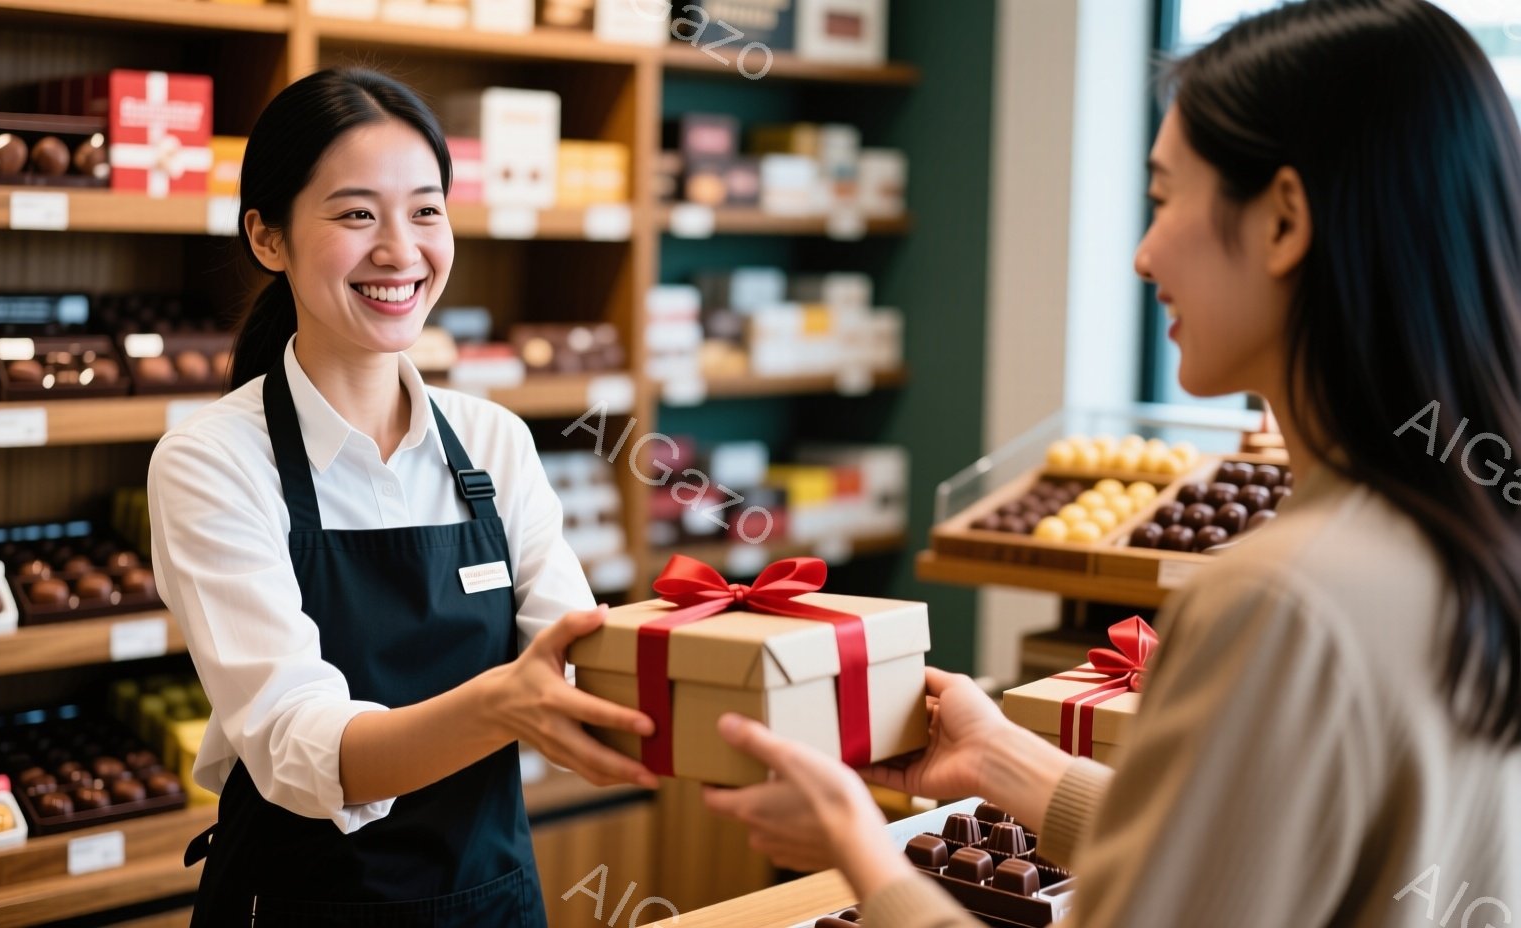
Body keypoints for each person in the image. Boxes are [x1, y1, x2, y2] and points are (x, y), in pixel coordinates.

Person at [704, 1, 1521, 924]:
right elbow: (1249, 859)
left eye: (1166, 198)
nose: (1142, 255)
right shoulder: (1471, 533)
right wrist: (1005, 762)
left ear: (1285, 222)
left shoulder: (1278, 599)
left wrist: (859, 849)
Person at [146, 68, 658, 928]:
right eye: (356, 214)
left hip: (494, 899)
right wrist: (502, 704)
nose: (400, 250)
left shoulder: (493, 441)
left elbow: (575, 664)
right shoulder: (213, 460)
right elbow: (295, 746)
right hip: (303, 904)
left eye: (426, 210)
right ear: (267, 238)